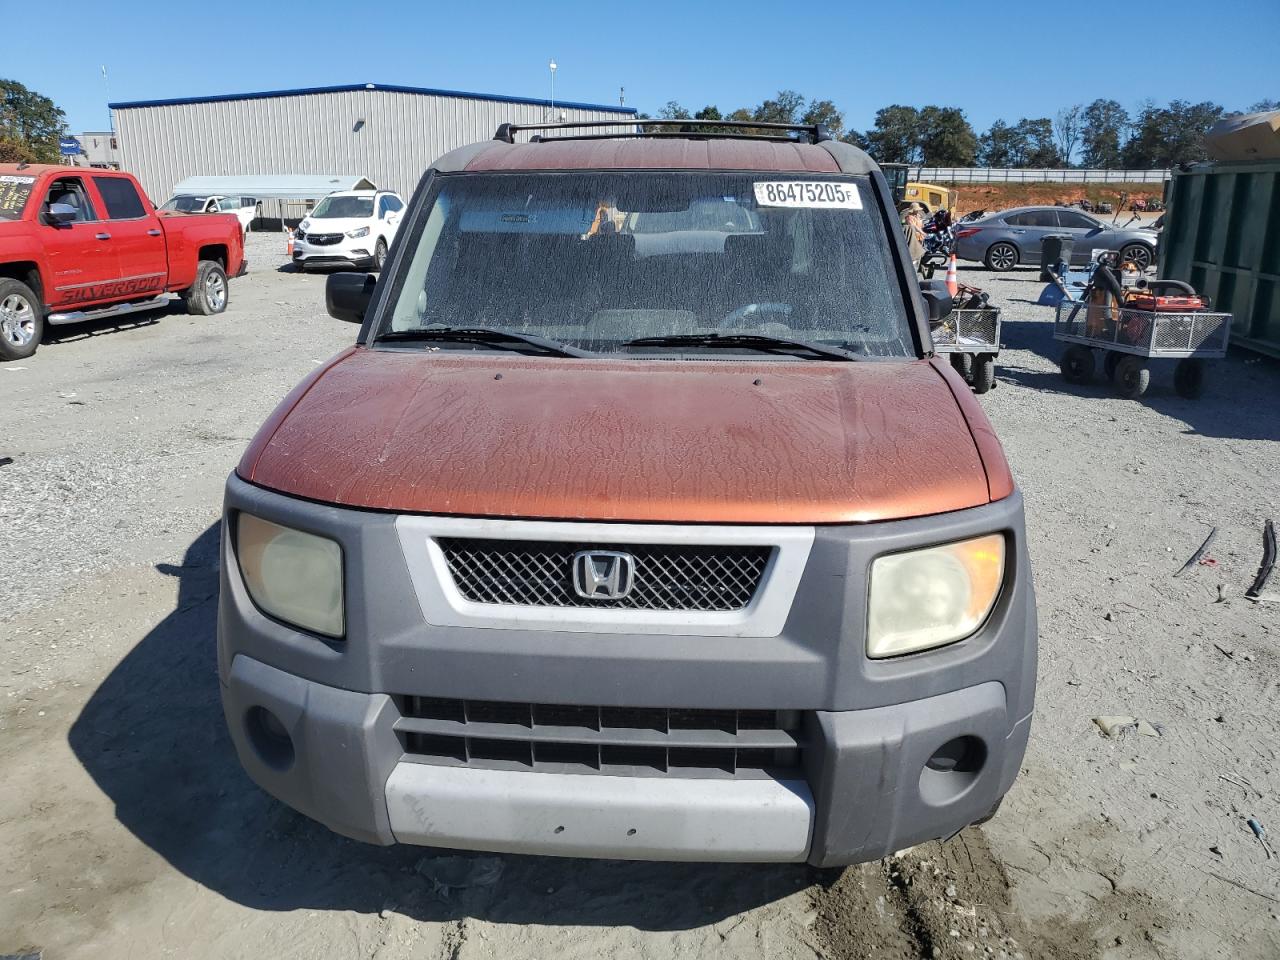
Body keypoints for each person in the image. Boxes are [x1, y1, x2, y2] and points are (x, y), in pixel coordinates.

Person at [902, 203, 925, 270]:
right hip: (914, 239)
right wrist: (922, 232)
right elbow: (913, 227)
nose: (918, 211)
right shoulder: (909, 217)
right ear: (913, 210)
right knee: (914, 255)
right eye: (916, 210)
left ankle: (918, 268)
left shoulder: (918, 216)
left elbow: (921, 225)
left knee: (919, 255)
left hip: (920, 238)